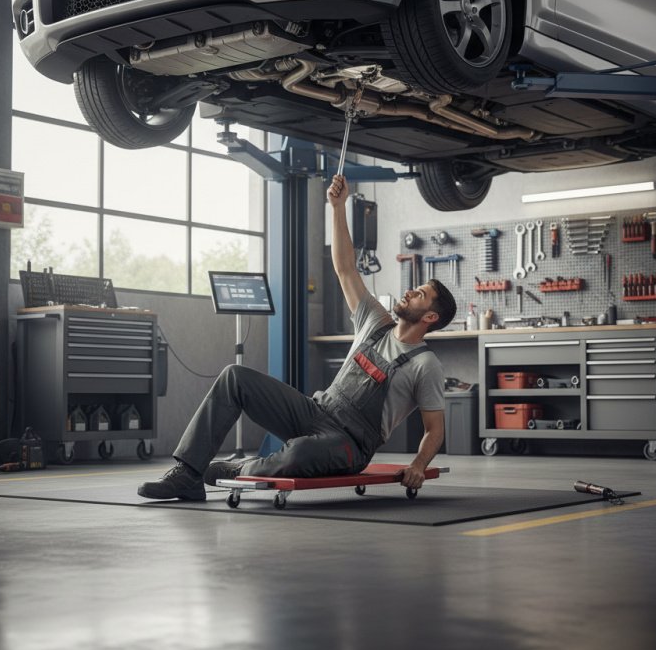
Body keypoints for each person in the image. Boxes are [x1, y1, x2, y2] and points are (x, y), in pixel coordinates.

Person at [137, 174, 457, 500]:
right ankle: (188, 473)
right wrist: (337, 206)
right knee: (234, 378)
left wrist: (418, 464)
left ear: (430, 317)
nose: (409, 292)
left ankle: (240, 470)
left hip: (350, 442)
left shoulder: (425, 364)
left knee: (299, 454)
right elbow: (345, 267)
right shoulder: (375, 320)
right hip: (316, 411)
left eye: (419, 294)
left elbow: (435, 429)